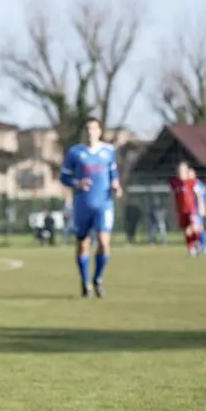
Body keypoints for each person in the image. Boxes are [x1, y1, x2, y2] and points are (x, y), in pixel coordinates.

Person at [59, 117, 122, 298]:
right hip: (83, 205)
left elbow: (113, 174)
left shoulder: (108, 151)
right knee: (82, 245)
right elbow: (64, 178)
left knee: (103, 243)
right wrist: (77, 183)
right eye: (87, 128)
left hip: (104, 204)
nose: (90, 132)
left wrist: (116, 185)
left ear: (100, 131)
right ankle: (85, 281)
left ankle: (98, 278)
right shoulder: (75, 153)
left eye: (93, 128)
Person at [169, 161, 200, 256]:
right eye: (179, 169)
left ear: (187, 170)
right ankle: (191, 249)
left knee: (194, 227)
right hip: (181, 210)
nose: (181, 171)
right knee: (186, 231)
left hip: (191, 209)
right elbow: (172, 195)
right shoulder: (174, 183)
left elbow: (198, 194)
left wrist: (201, 207)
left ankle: (197, 242)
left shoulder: (192, 182)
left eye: (183, 169)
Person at [190, 167, 206, 254]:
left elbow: (201, 197)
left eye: (190, 173)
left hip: (197, 209)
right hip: (193, 209)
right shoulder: (190, 184)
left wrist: (202, 208)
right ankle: (198, 245)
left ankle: (204, 246)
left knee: (199, 228)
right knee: (195, 228)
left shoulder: (196, 184)